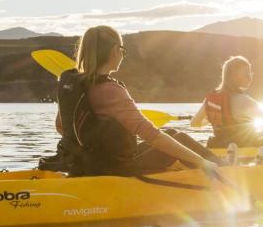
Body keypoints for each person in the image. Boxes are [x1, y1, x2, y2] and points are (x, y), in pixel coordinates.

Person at [55, 25, 221, 177]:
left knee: (173, 134)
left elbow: (61, 126)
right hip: (112, 169)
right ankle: (224, 169)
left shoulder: (75, 86)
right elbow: (153, 137)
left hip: (83, 165)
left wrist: (95, 145)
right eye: (122, 49)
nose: (122, 55)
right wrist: (201, 161)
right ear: (114, 51)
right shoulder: (111, 90)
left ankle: (219, 165)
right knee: (181, 140)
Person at [191, 56, 263, 149]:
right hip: (244, 147)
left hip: (220, 146)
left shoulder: (210, 99)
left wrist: (214, 118)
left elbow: (194, 123)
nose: (250, 78)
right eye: (246, 74)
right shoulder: (244, 100)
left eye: (251, 74)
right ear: (234, 77)